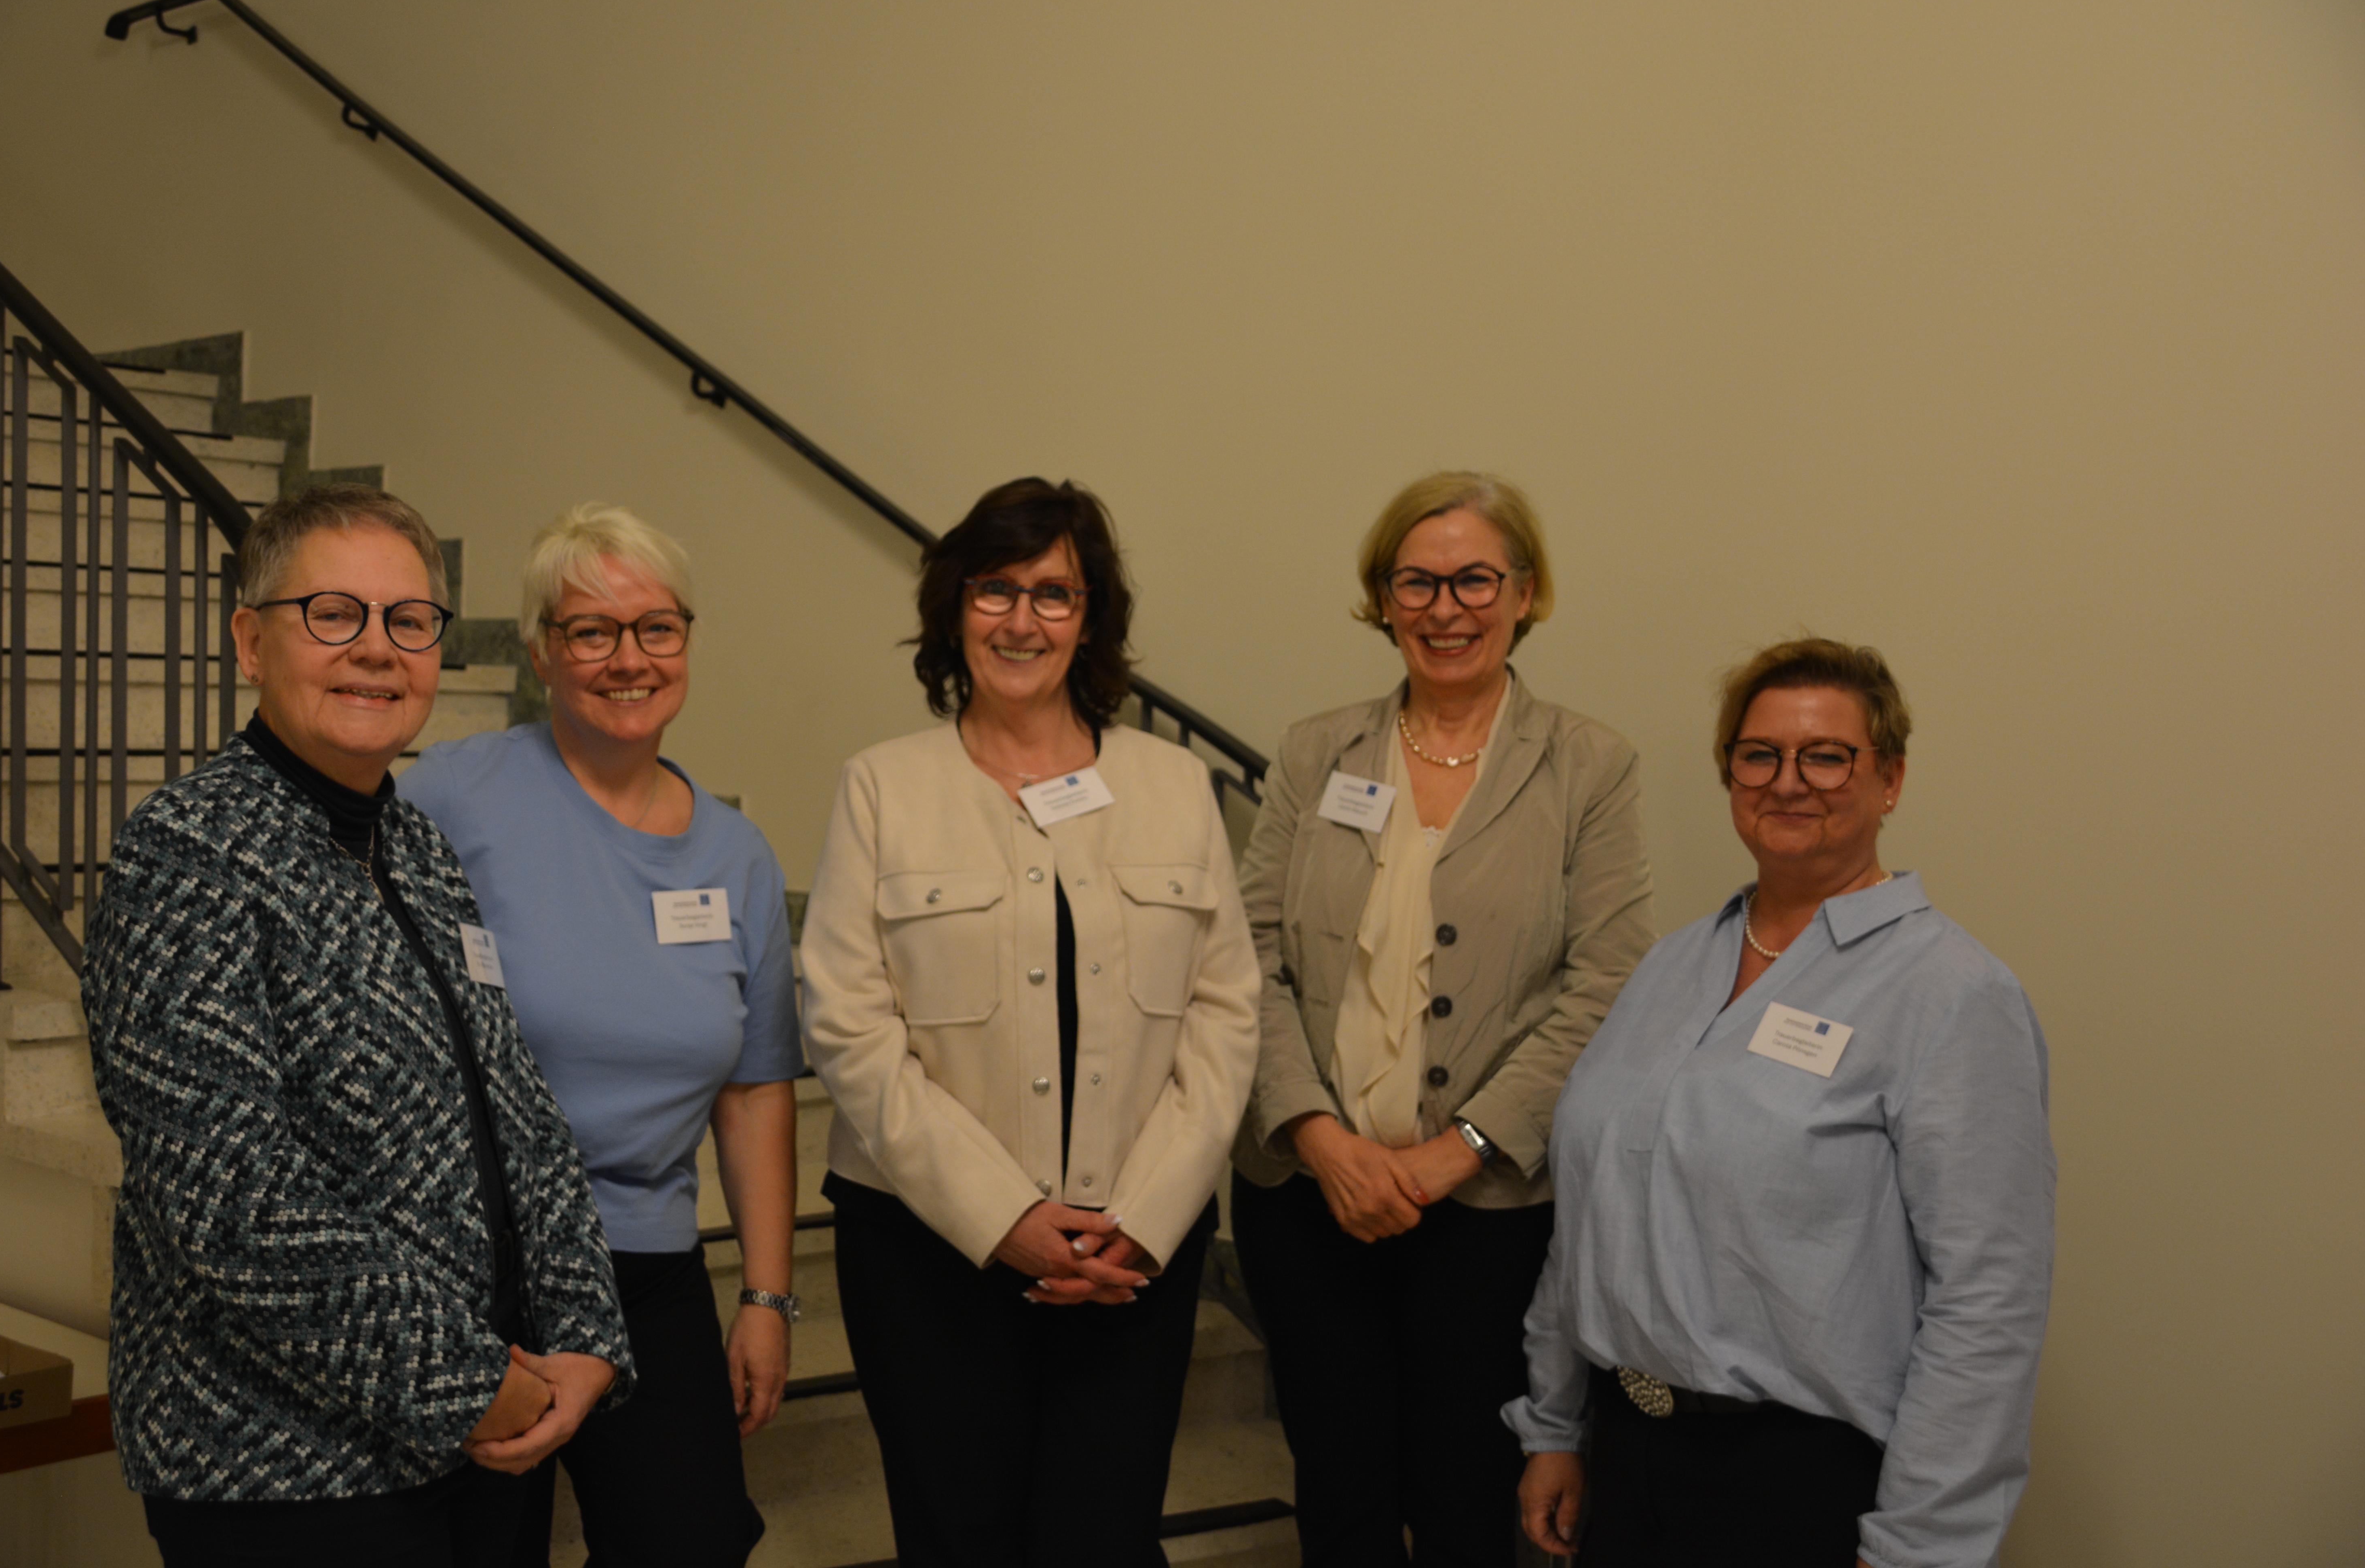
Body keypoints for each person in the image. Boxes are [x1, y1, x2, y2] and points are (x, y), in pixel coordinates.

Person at [83, 484, 633, 1568]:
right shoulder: (187, 852)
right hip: (287, 1466)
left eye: (408, 620)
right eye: (333, 614)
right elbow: (232, 1199)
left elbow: (517, 1111)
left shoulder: (416, 848)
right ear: (252, 641)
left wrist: (581, 1332)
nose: (377, 649)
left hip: (485, 1438)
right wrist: (470, 1384)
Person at [1509, 637, 2056, 1568]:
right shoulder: (1671, 966)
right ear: (1730, 774)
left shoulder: (1952, 993)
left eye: (1827, 756)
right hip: (1625, 1457)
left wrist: (1921, 1543)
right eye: (1759, 754)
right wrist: (1555, 1421)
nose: (1789, 781)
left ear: (1890, 778)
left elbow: (1988, 1297)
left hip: (1801, 1482)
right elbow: (1591, 1214)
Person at [799, 476, 1261, 1567]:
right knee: (958, 1539)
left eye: (1053, 593)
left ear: (1090, 617)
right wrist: (1002, 1215)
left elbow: (1226, 1017)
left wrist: (1143, 1217)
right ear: (954, 608)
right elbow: (850, 1026)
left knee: (1104, 1538)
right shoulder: (881, 788)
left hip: (1128, 1254)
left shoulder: (1175, 787)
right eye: (995, 589)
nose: (1022, 620)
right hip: (926, 1255)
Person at [1228, 469, 1657, 1566]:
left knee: (1467, 1497)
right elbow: (1247, 959)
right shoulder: (1316, 751)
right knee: (1340, 1491)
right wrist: (1320, 1139)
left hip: (1488, 1209)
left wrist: (1455, 1151)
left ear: (1526, 592)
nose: (1445, 607)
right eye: (1415, 581)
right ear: (1383, 599)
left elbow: (1606, 982)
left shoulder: (1589, 765)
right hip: (1310, 1197)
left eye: (1475, 579)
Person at [401, 505, 801, 1568]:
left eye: (656, 628)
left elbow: (756, 1088)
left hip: (646, 1266)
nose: (630, 659)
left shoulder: (739, 858)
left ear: (687, 642)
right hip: (473, 1267)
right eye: (592, 631)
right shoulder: (451, 796)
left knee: (693, 1543)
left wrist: (766, 1296)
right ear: (541, 651)